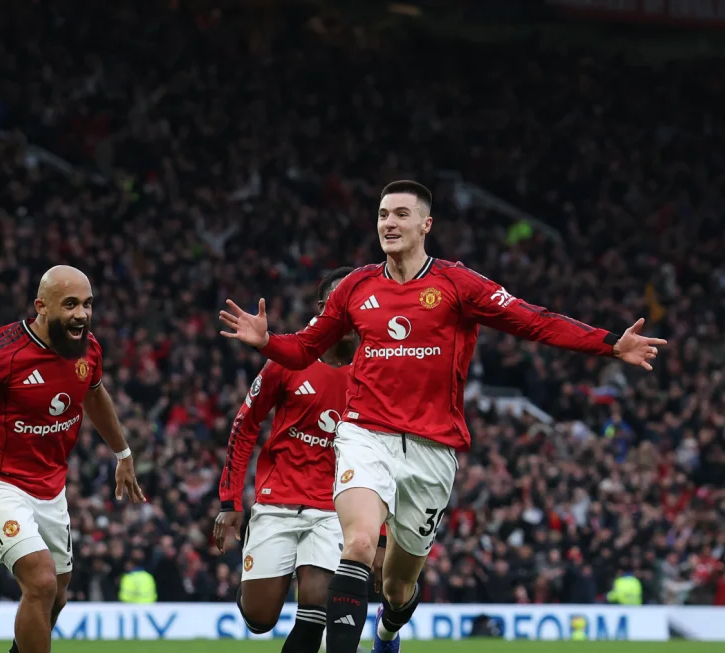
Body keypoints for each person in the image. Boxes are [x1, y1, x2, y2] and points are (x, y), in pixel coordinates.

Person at [219, 180, 664, 653]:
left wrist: (609, 342)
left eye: (401, 214)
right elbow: (305, 347)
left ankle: (388, 631)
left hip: (433, 449)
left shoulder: (457, 284)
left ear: (426, 225)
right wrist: (267, 342)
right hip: (365, 434)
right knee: (360, 545)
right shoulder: (356, 286)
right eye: (383, 214)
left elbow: (534, 320)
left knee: (398, 587)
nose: (389, 223)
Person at [0, 265, 146, 653]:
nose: (81, 314)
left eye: (88, 305)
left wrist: (122, 452)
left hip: (50, 487)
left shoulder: (88, 349)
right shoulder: (2, 350)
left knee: (56, 597)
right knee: (40, 583)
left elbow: (95, 394)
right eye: (71, 304)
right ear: (42, 307)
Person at [214, 267, 360, 653]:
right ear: (322, 309)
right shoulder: (287, 359)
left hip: (333, 507)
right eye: (338, 305)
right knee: (260, 620)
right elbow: (245, 426)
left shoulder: (372, 371)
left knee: (316, 605)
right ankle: (255, 579)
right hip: (277, 501)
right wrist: (230, 501)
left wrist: (377, 534)